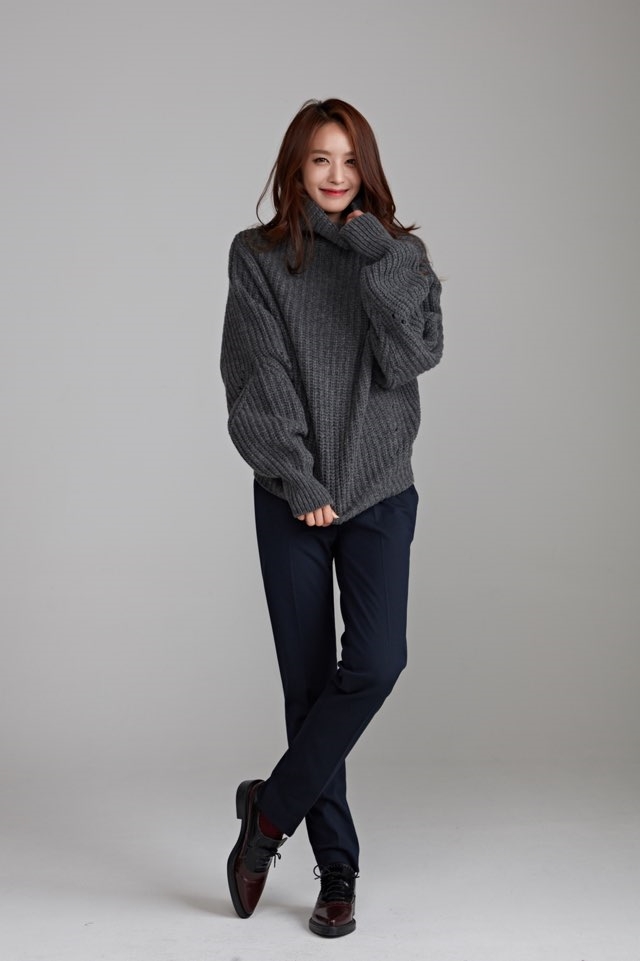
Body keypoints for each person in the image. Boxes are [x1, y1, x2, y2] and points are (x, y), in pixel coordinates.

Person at [220, 98, 443, 938]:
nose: (337, 175)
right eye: (320, 159)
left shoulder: (399, 257)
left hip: (381, 490)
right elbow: (256, 374)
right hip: (293, 497)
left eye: (350, 160)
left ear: (368, 167)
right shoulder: (259, 257)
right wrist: (298, 475)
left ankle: (269, 812)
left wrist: (377, 255)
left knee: (378, 662)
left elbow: (413, 354)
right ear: (296, 167)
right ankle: (338, 870)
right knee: (310, 685)